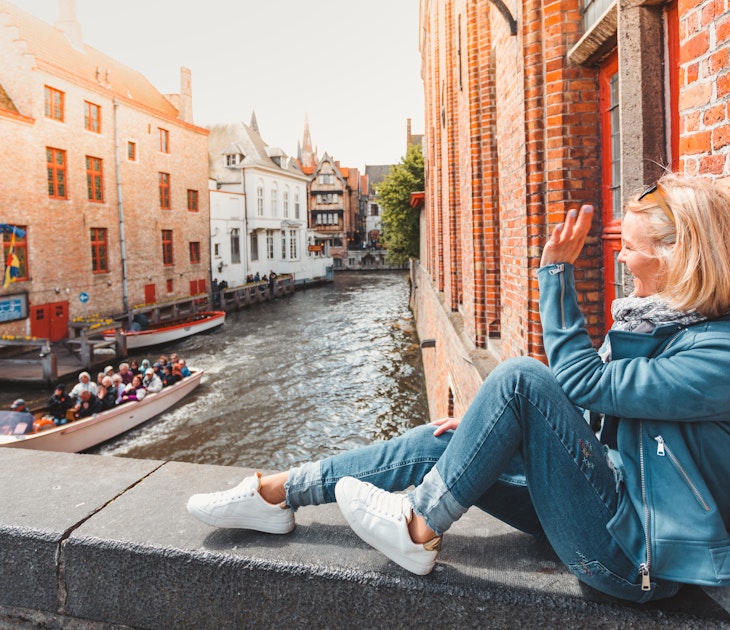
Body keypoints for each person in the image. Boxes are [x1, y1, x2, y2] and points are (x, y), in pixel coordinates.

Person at [187, 174, 730, 602]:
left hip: (634, 559)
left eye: (629, 247)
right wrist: (490, 427)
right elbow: (598, 418)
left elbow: (583, 383)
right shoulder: (655, 323)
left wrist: (556, 277)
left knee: (520, 376)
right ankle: (276, 493)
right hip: (606, 503)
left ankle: (417, 525)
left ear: (678, 255)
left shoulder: (717, 354)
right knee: (447, 437)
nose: (619, 256)